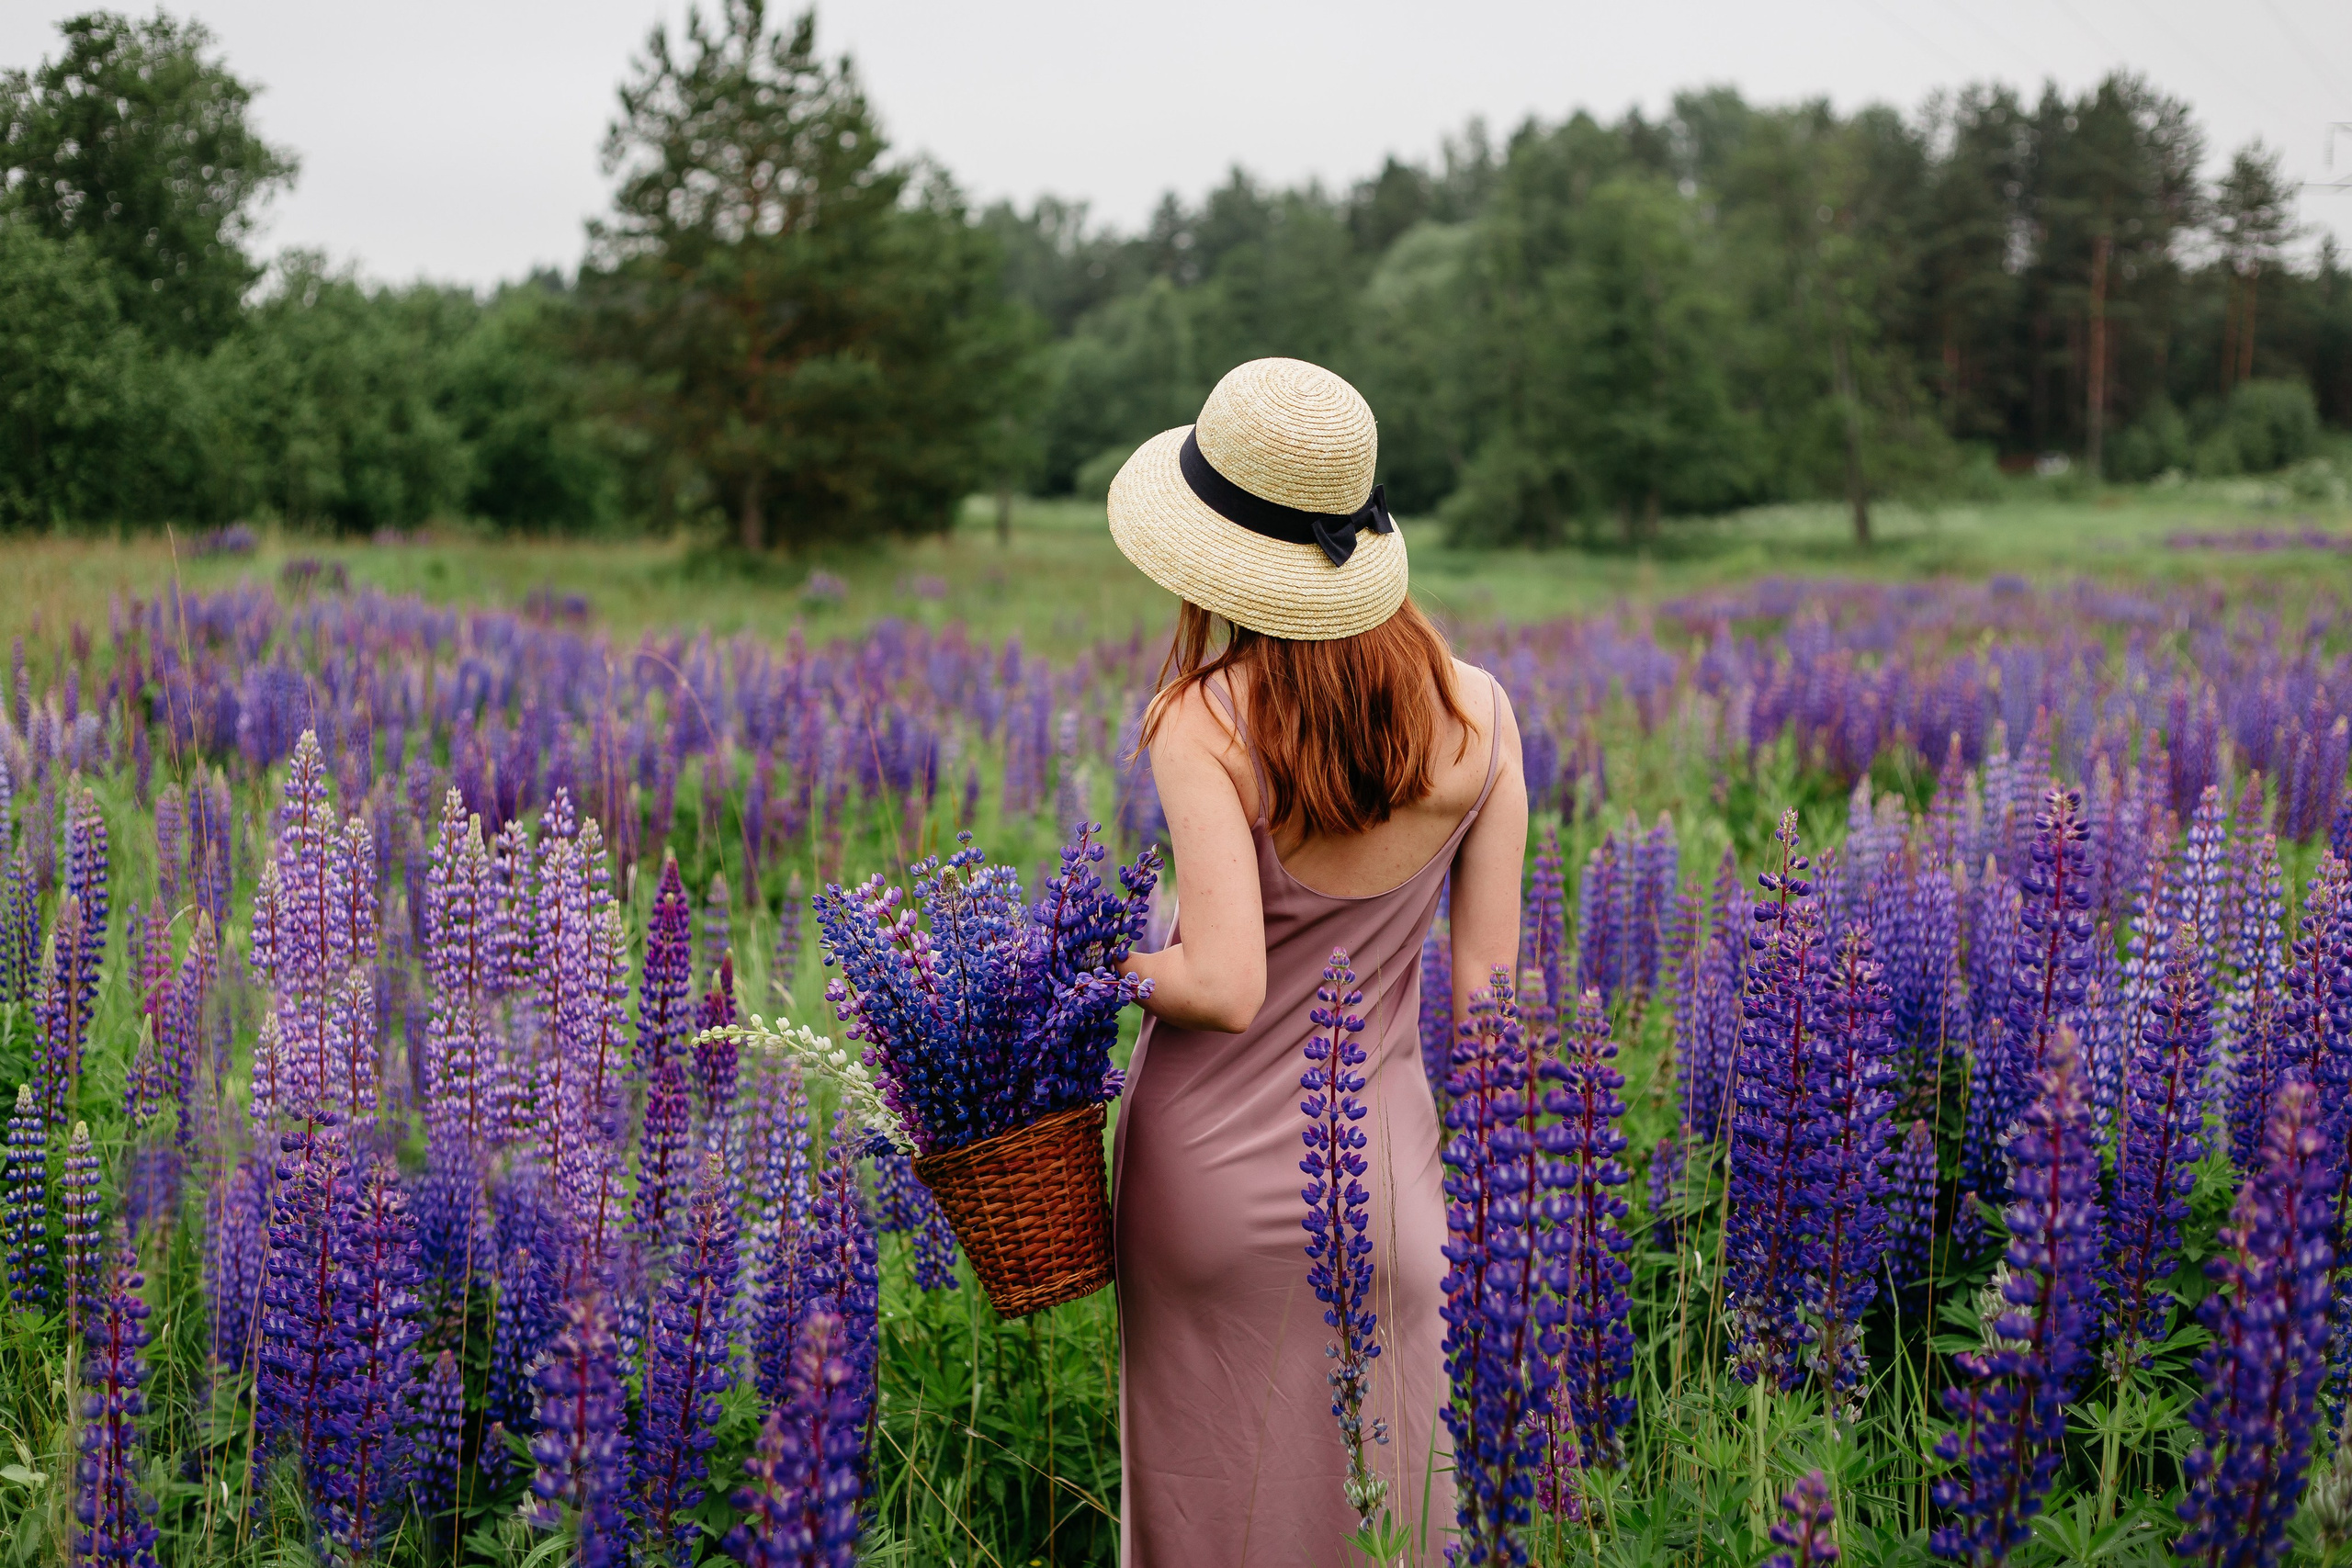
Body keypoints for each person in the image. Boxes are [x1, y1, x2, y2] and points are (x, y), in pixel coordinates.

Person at [1108, 358, 1527, 1566]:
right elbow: (1488, 998)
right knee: (1384, 1521)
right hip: (1388, 1187)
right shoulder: (1483, 717)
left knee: (1211, 1520)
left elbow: (1225, 986)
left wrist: (1108, 964)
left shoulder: (1203, 717)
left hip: (1205, 1192)